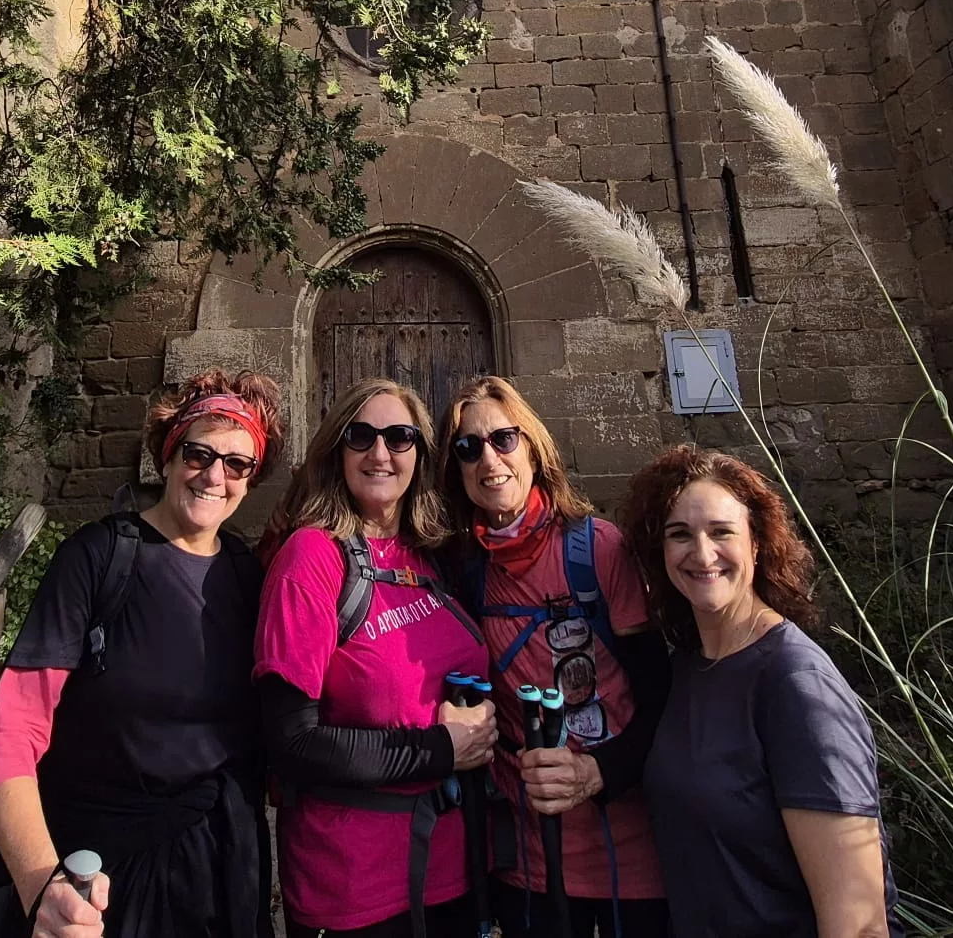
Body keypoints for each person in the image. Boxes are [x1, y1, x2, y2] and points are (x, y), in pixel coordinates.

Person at [0, 369, 282, 938]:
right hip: (100, 880)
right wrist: (43, 883)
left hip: (223, 874)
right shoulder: (97, 559)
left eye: (238, 464)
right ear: (166, 455)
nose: (215, 475)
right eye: (199, 453)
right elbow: (8, 733)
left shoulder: (248, 576)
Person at [618, 445, 898, 938]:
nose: (701, 554)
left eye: (722, 532)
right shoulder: (688, 667)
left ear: (757, 544)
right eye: (680, 534)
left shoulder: (796, 685)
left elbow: (858, 925)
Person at [253, 377, 497, 938]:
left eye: (400, 437)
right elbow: (292, 744)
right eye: (360, 436)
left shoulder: (431, 553)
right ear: (336, 451)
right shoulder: (311, 558)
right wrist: (440, 750)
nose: (380, 453)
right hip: (357, 887)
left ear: (421, 452)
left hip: (457, 868)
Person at [438, 376, 670, 938]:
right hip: (529, 854)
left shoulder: (596, 549)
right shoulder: (466, 570)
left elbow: (660, 694)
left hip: (629, 852)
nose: (488, 458)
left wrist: (596, 771)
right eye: (468, 448)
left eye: (503, 439)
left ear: (533, 447)